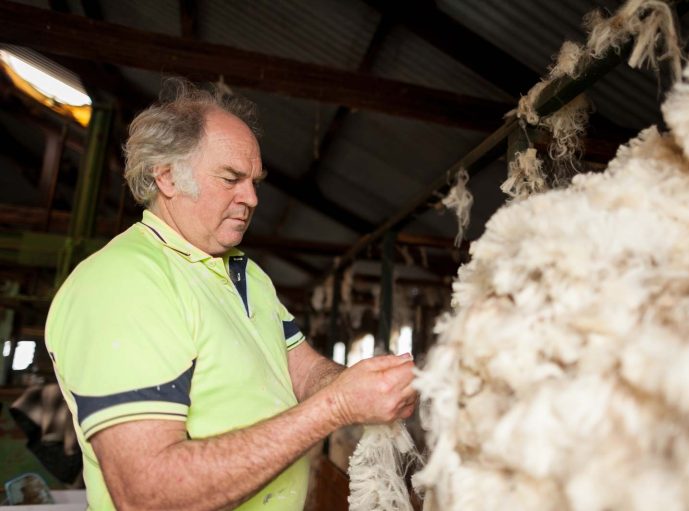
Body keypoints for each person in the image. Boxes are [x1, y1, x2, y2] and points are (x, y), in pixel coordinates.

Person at [45, 79, 417, 511]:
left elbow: (302, 371)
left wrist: (359, 385)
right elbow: (148, 493)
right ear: (166, 176)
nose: (252, 197)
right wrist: (337, 407)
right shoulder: (123, 282)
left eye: (255, 180)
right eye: (231, 178)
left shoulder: (248, 275)